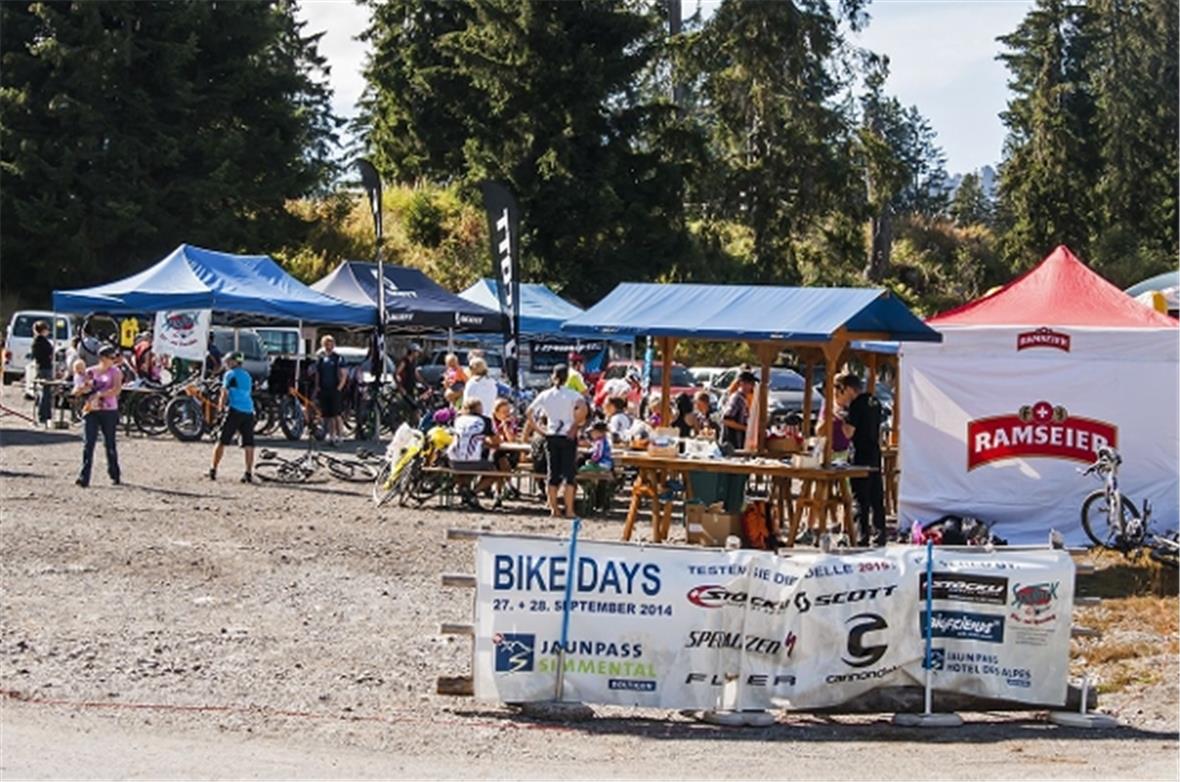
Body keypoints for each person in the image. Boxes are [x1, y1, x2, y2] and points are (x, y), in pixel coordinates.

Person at [528, 364, 586, 518]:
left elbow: (529, 412)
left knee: (552, 474)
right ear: (567, 378)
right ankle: (569, 510)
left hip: (551, 433)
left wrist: (540, 429)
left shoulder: (545, 394)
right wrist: (575, 425)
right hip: (567, 434)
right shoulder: (573, 394)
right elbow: (584, 408)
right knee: (569, 474)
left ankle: (554, 509)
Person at [836, 372, 887, 546]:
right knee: (876, 496)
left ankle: (862, 535)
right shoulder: (874, 401)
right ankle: (880, 532)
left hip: (860, 453)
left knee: (860, 498)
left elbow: (849, 432)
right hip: (874, 451)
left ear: (849, 389)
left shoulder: (856, 405)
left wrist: (840, 417)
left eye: (841, 389)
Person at [74, 345, 122, 487]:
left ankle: (114, 473)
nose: (113, 360)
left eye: (114, 357)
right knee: (88, 443)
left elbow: (117, 389)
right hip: (91, 410)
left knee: (110, 443)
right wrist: (81, 389)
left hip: (109, 410)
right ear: (102, 358)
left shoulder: (116, 372)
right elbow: (80, 388)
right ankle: (84, 477)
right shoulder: (90, 372)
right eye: (110, 357)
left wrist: (101, 394)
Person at [446, 398, 502, 509]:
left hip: (453, 460)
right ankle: (472, 492)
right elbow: (497, 441)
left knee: (464, 470)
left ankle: (465, 493)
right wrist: (485, 441)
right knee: (495, 473)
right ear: (479, 409)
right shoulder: (485, 421)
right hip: (472, 460)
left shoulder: (458, 419)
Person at [209, 352, 256, 483]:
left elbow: (224, 393)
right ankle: (248, 472)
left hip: (235, 410)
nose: (227, 363)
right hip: (248, 410)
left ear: (234, 362)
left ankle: (213, 469)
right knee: (249, 443)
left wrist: (220, 408)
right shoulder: (247, 375)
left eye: (229, 361)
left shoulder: (230, 374)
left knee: (222, 440)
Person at [313, 334, 346, 445]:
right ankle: (331, 435)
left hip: (335, 389)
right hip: (324, 389)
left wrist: (339, 387)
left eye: (331, 343)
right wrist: (317, 386)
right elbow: (318, 373)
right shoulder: (321, 358)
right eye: (327, 343)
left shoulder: (338, 358)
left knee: (337, 414)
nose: (329, 346)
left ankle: (340, 436)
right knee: (328, 415)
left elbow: (343, 374)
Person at [721, 370, 756, 450]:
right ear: (742, 383)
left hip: (740, 442)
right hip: (733, 443)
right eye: (750, 384)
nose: (751, 387)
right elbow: (726, 420)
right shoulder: (736, 398)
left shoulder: (744, 398)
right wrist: (746, 428)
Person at [31, 320, 54, 426]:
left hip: (41, 367)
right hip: (45, 367)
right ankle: (44, 415)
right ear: (43, 330)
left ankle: (44, 415)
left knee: (43, 392)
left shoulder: (36, 341)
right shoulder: (42, 342)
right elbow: (48, 353)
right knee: (46, 392)